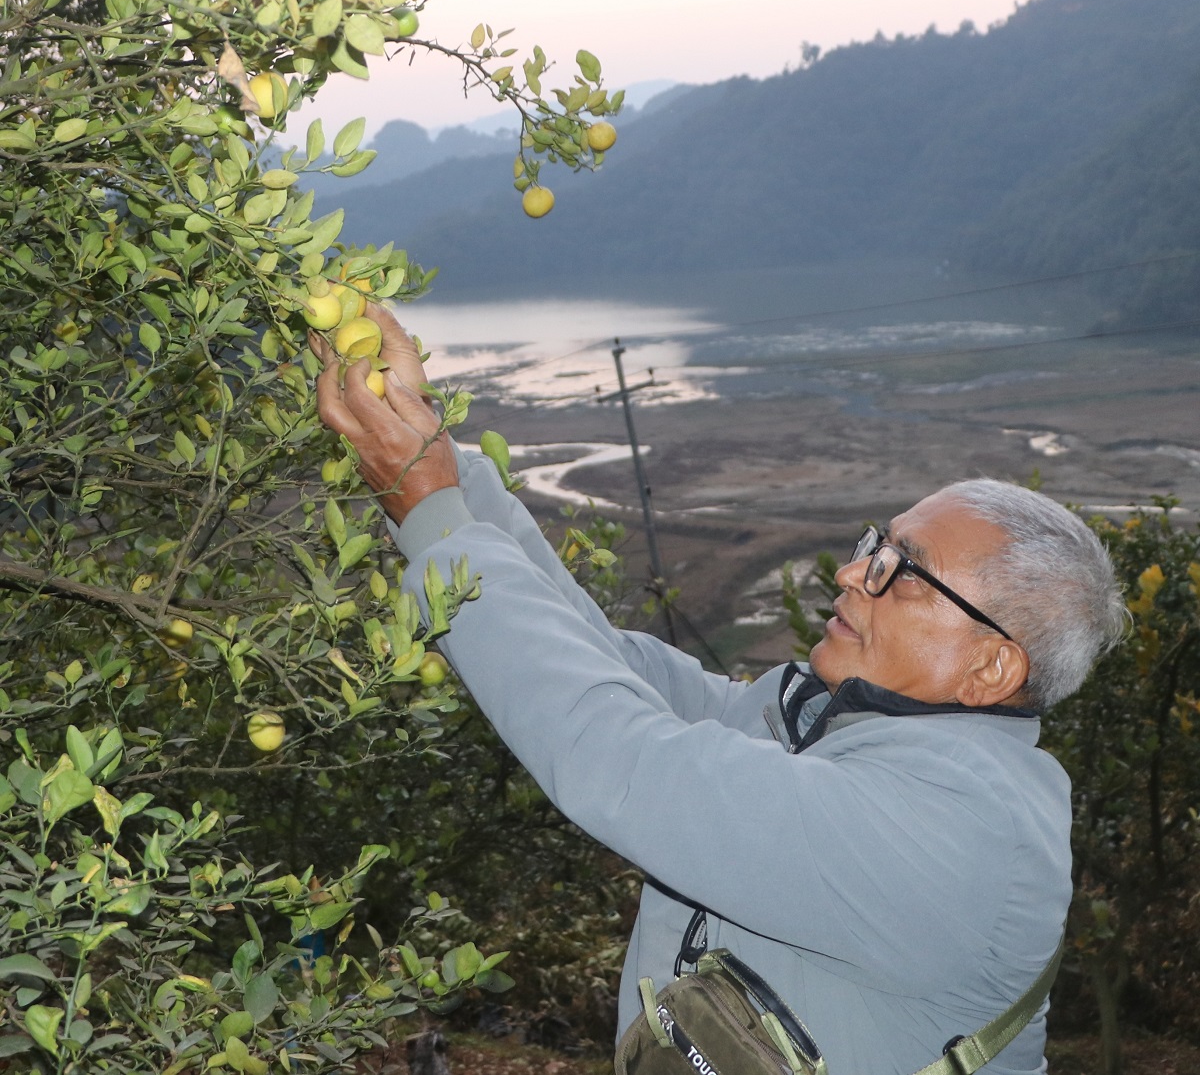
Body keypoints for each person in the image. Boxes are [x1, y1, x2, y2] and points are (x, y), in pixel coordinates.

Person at [312, 307, 1127, 1075]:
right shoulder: (842, 725)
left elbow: (620, 755)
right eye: (874, 545)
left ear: (993, 667)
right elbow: (612, 673)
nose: (851, 573)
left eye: (899, 572)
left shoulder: (958, 835)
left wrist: (432, 515)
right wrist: (437, 460)